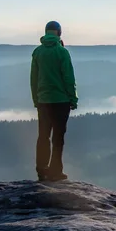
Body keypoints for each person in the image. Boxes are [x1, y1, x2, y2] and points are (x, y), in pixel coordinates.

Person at [30, 21, 78, 181]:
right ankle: (55, 171)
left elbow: (33, 79)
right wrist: (73, 98)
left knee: (43, 136)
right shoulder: (62, 52)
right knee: (58, 138)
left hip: (43, 101)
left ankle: (41, 170)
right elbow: (68, 77)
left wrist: (36, 99)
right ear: (59, 33)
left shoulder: (37, 52)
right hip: (61, 101)